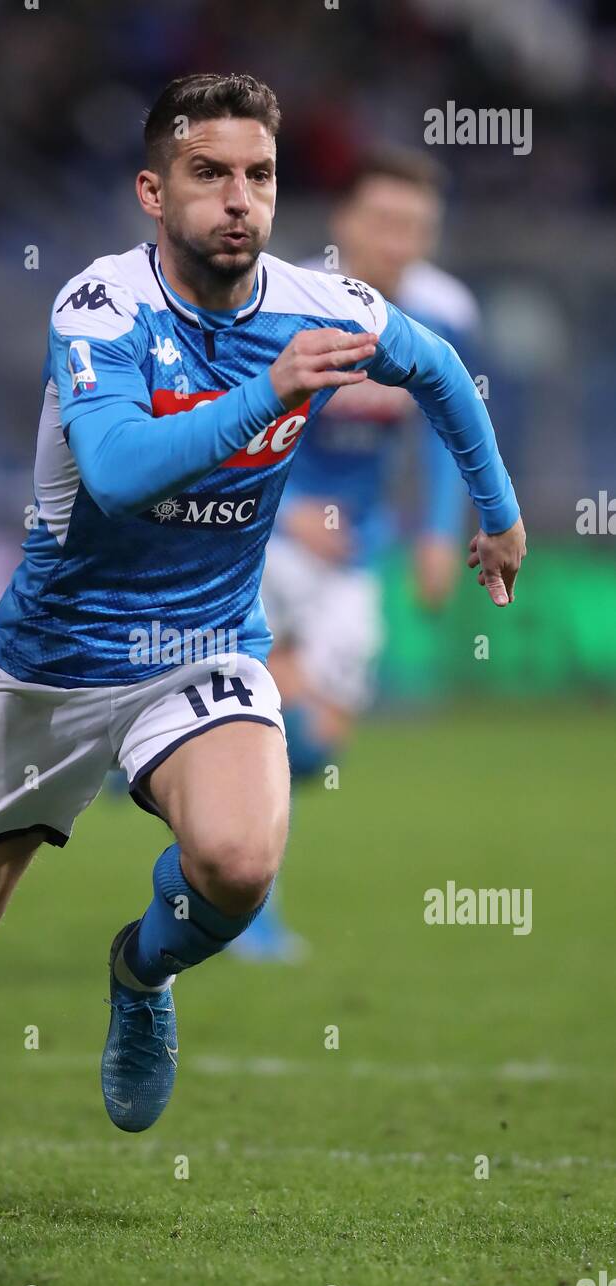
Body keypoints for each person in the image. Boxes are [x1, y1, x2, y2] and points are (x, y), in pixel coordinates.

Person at [0, 73, 525, 1215]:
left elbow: (442, 372)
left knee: (241, 864)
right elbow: (114, 475)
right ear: (153, 191)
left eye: (257, 176)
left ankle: (139, 970)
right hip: (51, 660)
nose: (237, 199)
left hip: (203, 645)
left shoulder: (321, 301)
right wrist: (267, 391)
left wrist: (493, 511)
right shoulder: (98, 308)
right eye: (208, 174)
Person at [238, 147, 481, 963]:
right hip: (266, 537)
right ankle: (248, 911)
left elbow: (449, 428)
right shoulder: (284, 299)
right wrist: (288, 508)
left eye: (416, 226)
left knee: (315, 745)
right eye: (383, 221)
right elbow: (230, 422)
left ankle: (162, 767)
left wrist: (441, 534)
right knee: (271, 718)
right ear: (344, 221)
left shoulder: (445, 312)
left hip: (359, 547)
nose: (399, 240)